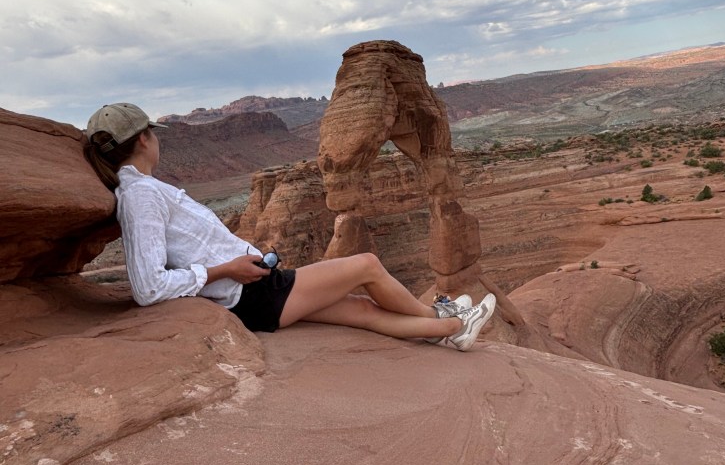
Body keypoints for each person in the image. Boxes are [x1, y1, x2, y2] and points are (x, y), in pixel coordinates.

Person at [84, 103, 497, 350]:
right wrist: (227, 269)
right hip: (250, 295)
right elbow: (148, 288)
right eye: (153, 134)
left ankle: (450, 330)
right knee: (367, 264)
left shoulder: (145, 190)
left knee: (362, 310)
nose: (157, 140)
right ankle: (445, 313)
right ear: (142, 140)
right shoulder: (139, 196)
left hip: (252, 288)